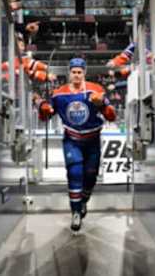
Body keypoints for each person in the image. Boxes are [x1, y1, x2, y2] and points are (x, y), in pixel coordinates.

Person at [34, 58, 117, 231]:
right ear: (69, 73)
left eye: (80, 72)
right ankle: (76, 212)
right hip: (72, 140)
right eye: (74, 72)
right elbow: (46, 115)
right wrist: (42, 107)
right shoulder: (58, 94)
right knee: (75, 172)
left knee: (91, 176)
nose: (77, 75)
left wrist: (101, 104)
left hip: (93, 140)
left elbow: (111, 116)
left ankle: (84, 200)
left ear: (84, 73)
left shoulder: (96, 89)